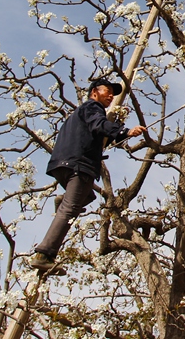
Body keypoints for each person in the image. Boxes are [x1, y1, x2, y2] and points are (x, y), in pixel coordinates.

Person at [29, 78, 146, 272]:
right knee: (70, 208)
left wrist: (115, 128)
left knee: (86, 196)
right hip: (78, 165)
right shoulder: (93, 108)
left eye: (113, 93)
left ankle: (63, 201)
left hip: (64, 163)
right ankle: (45, 253)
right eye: (107, 91)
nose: (111, 95)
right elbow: (99, 124)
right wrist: (125, 131)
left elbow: (98, 134)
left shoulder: (81, 113)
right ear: (94, 92)